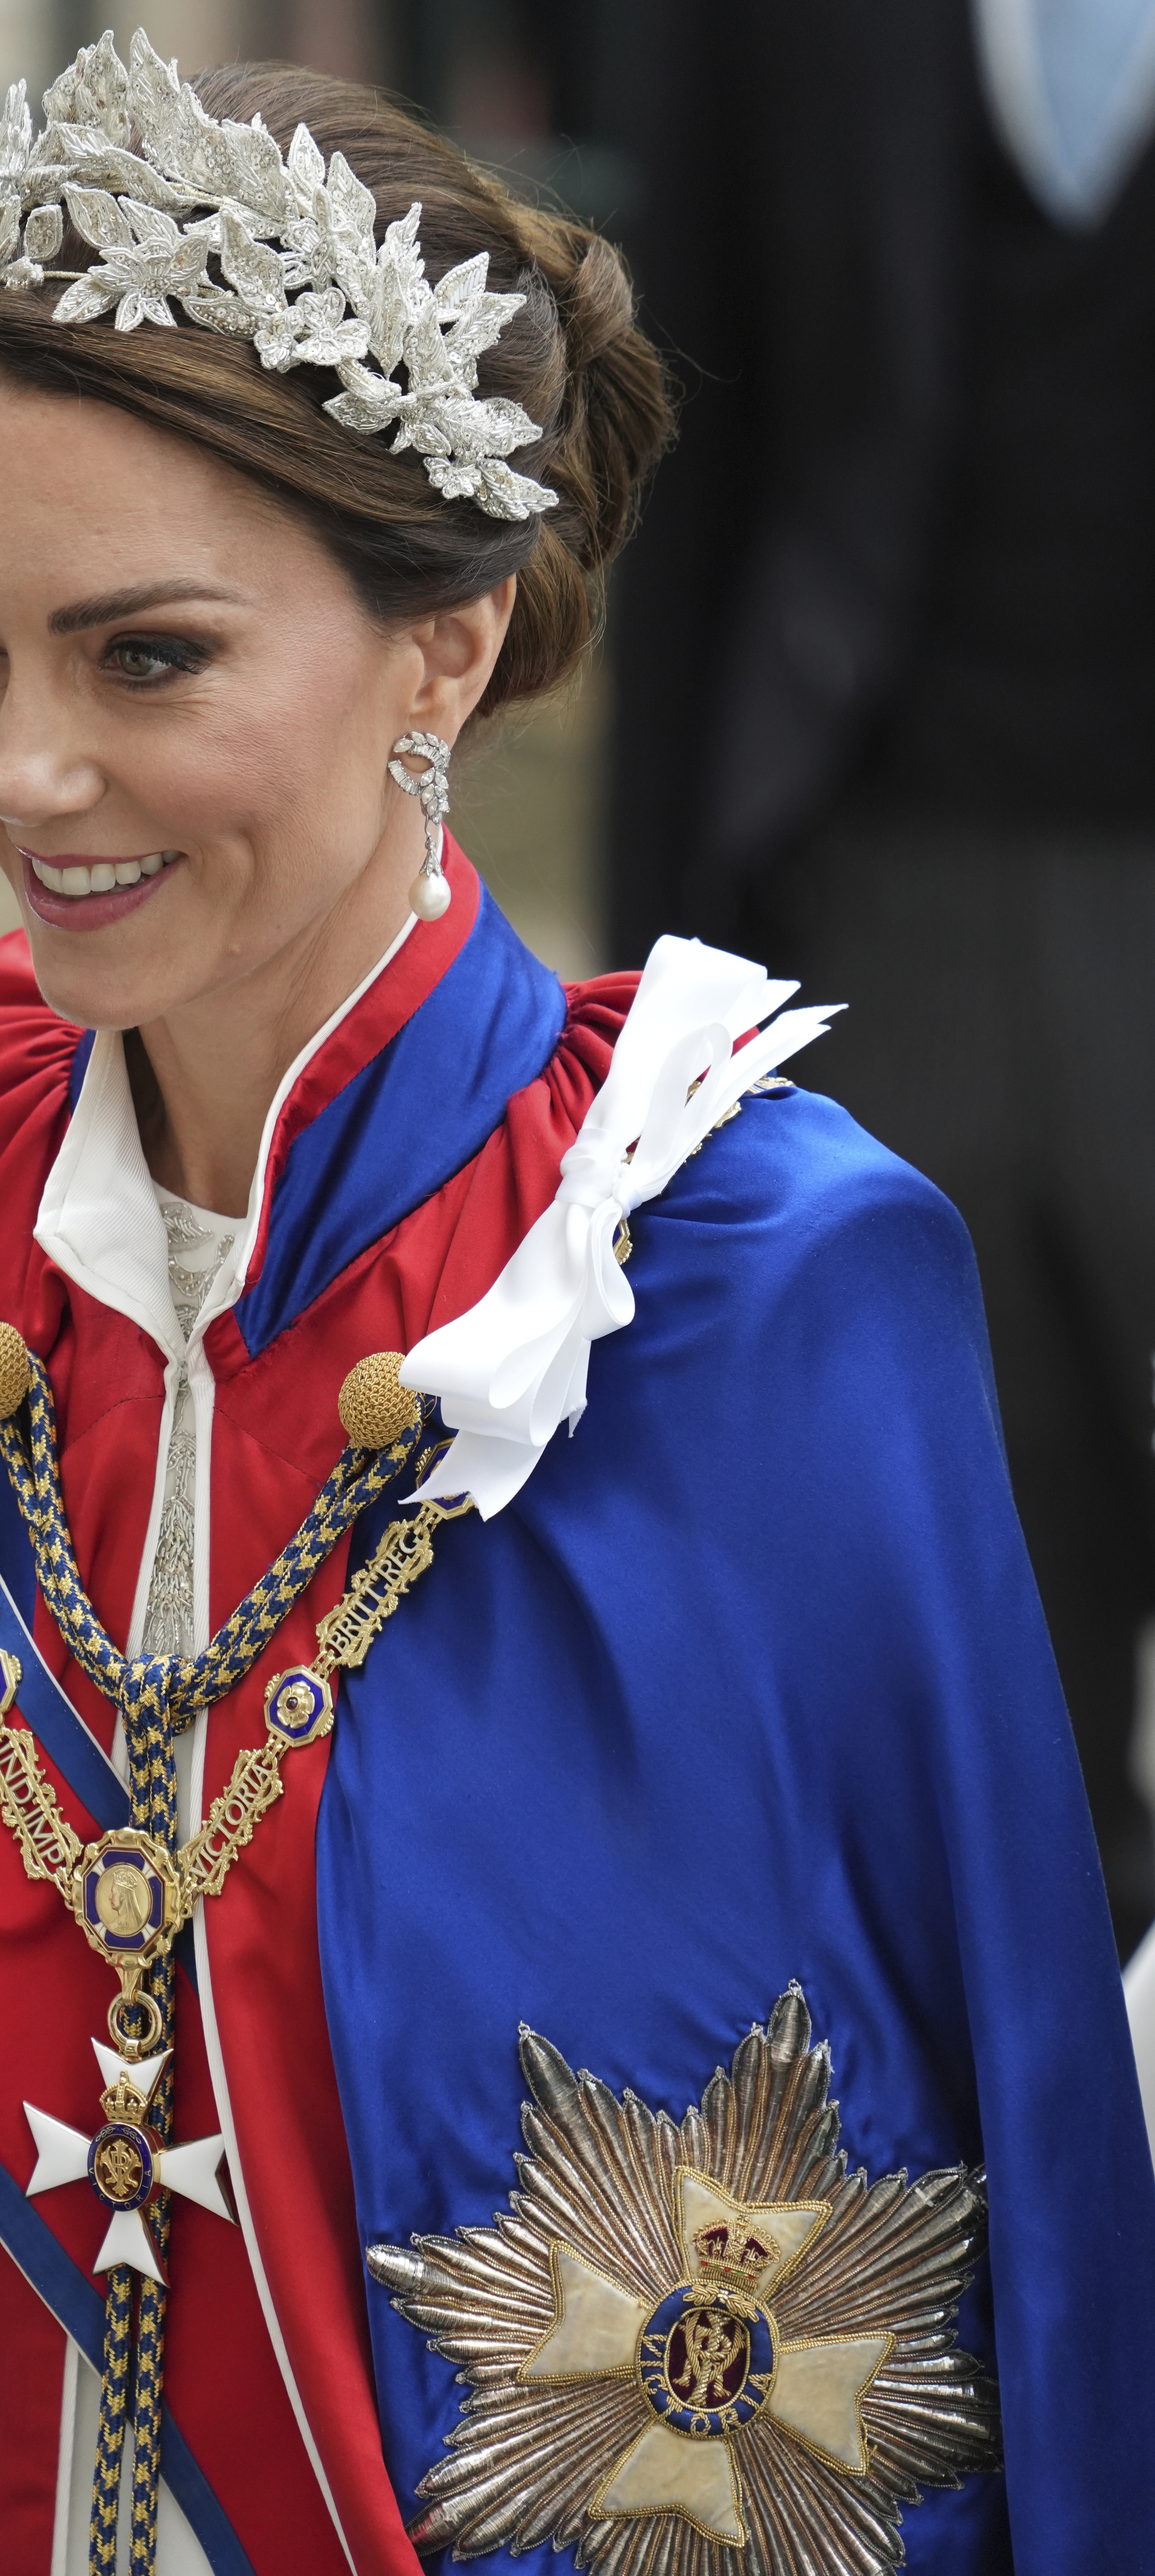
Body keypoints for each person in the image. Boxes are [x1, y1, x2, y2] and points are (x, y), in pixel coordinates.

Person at [0, 33, 1149, 2576]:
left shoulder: (763, 1279)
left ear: (444, 654)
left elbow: (982, 2177)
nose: (17, 769)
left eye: (142, 660)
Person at [606, 0, 1155, 1957]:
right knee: (958, 1712)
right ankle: (1023, 2221)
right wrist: (649, 1020)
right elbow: (694, 457)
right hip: (884, 876)